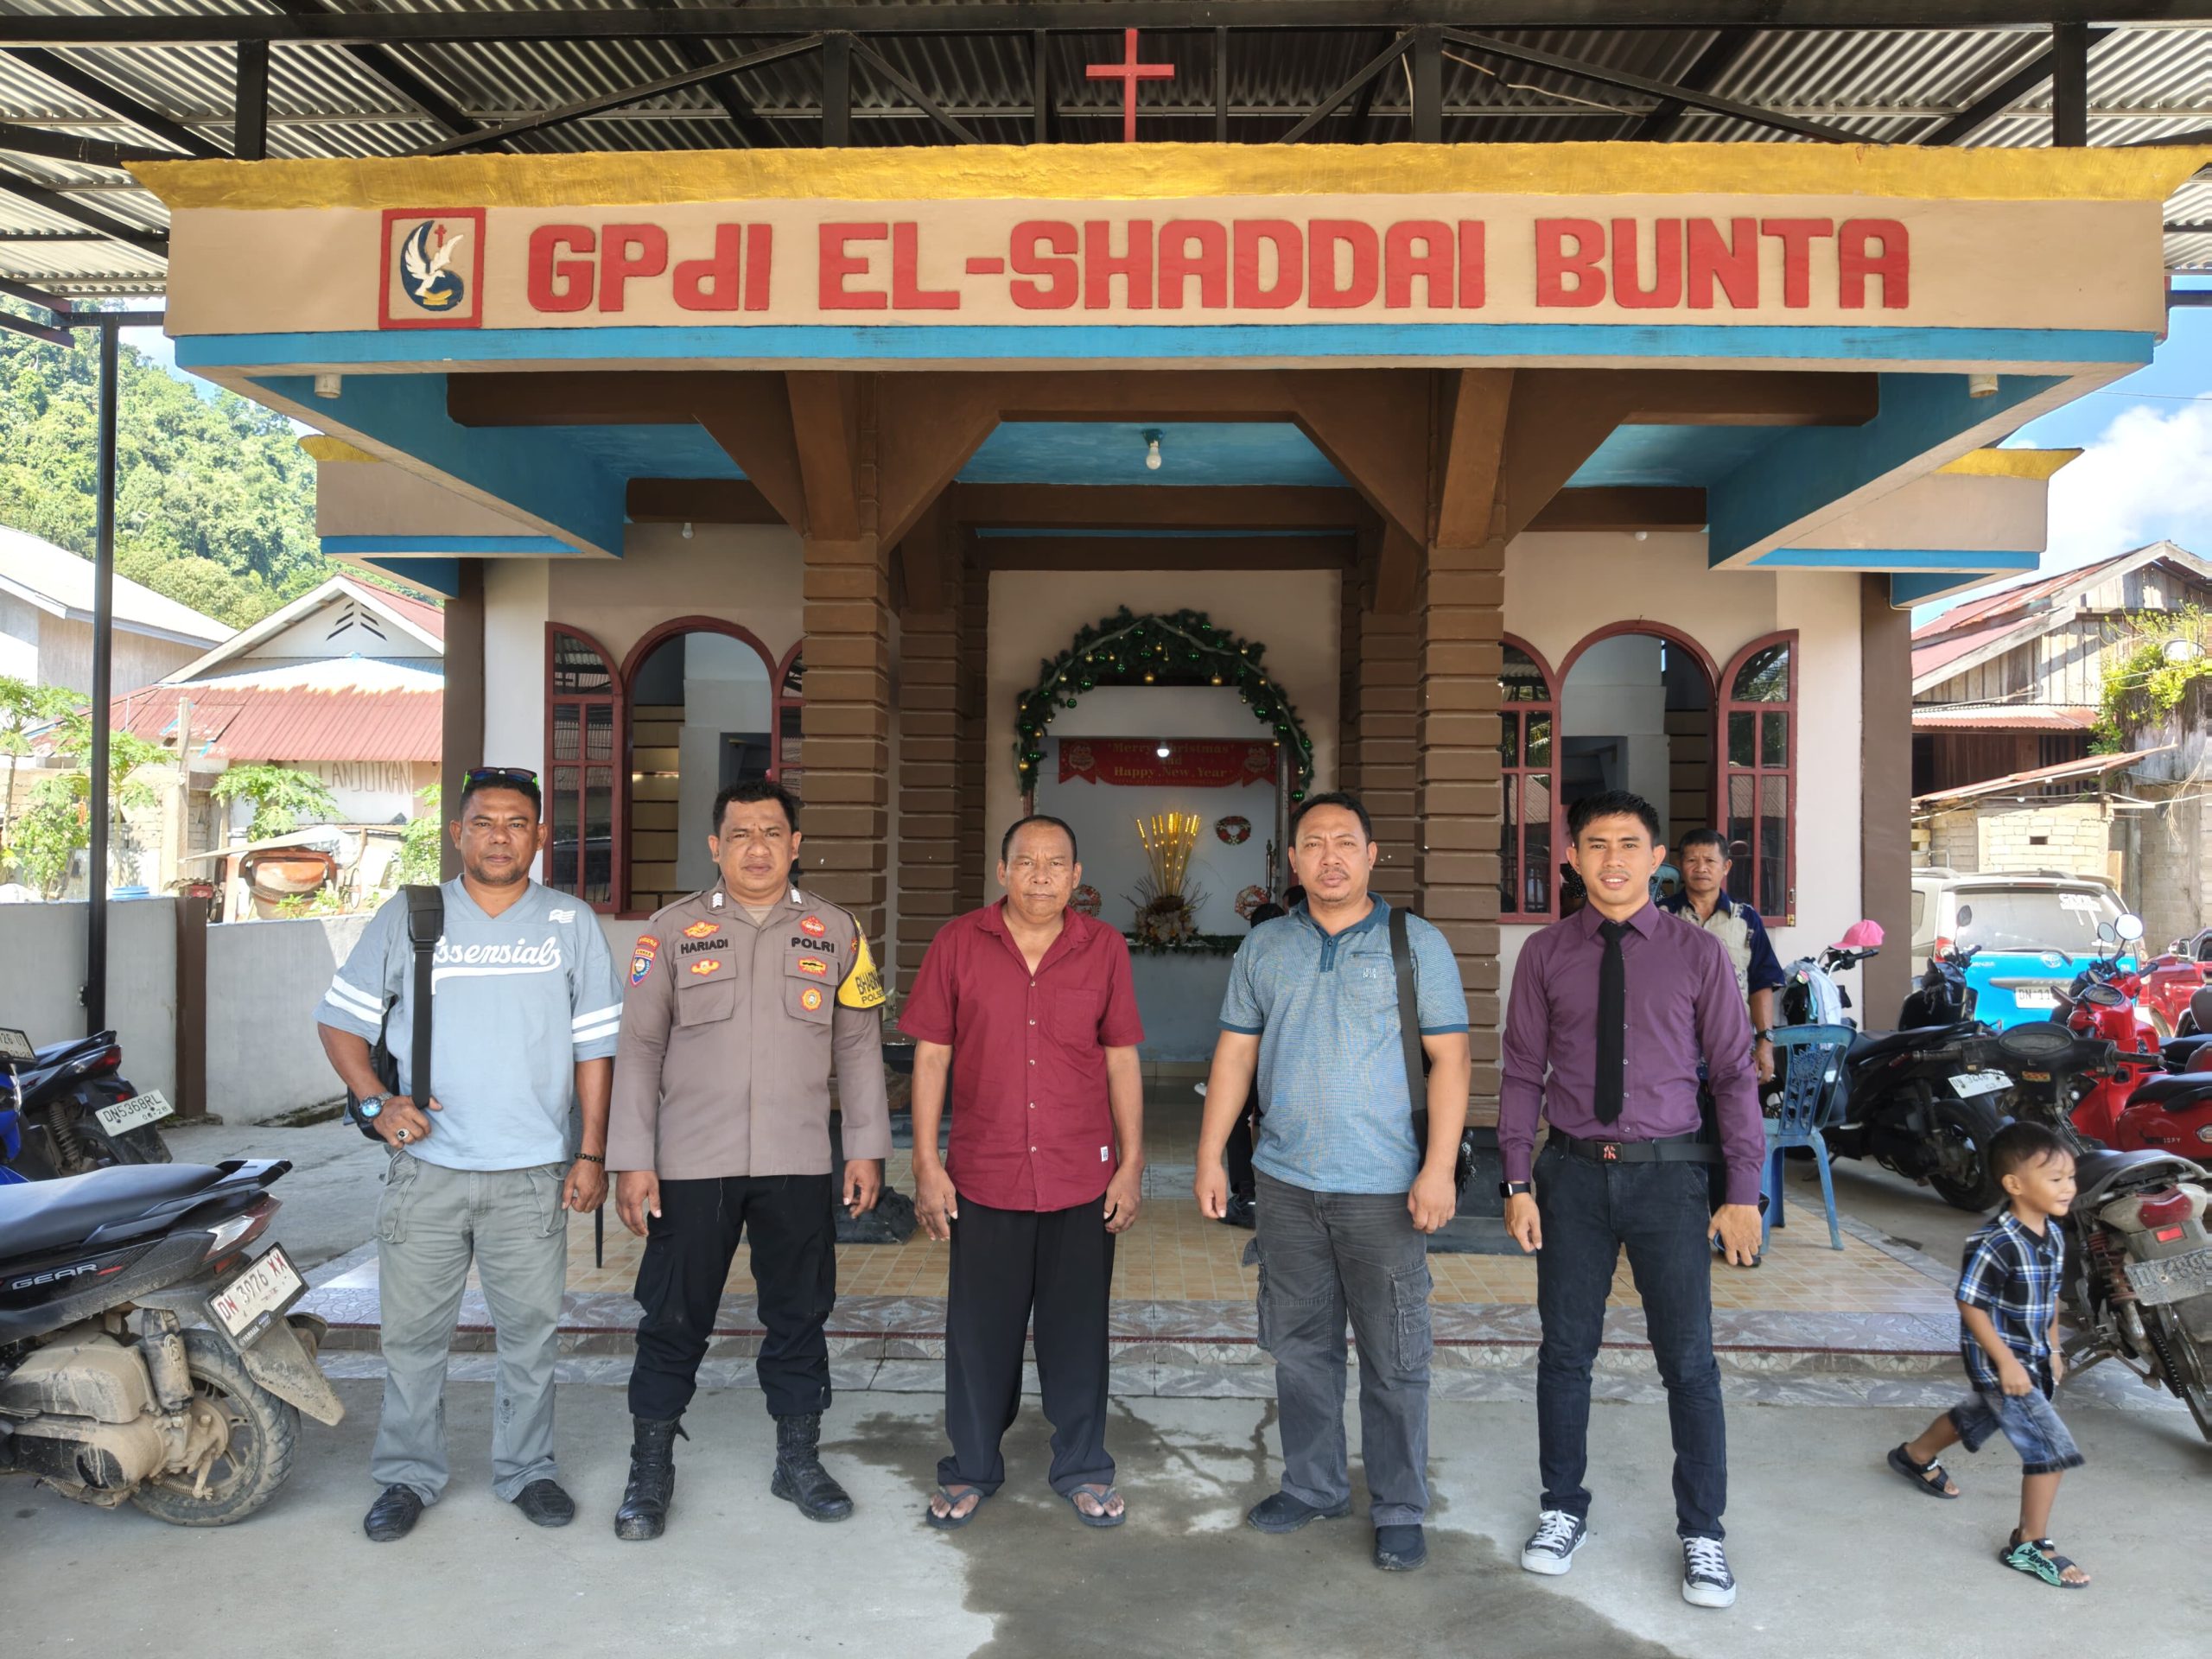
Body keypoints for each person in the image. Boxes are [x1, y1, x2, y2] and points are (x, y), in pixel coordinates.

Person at [315, 765, 620, 1543]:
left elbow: (595, 1048)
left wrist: (590, 1152)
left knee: (531, 1338)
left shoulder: (571, 923)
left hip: (532, 1173)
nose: (499, 837)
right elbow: (340, 1022)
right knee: (413, 1339)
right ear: (458, 833)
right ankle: (407, 1476)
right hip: (429, 1173)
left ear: (541, 836)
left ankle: (527, 1471)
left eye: (517, 823)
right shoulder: (412, 914)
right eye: (484, 822)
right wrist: (377, 1102)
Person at [1499, 789, 1764, 1609]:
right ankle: (1561, 1508)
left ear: (1656, 859)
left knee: (1688, 1361)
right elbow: (1521, 1072)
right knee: (1564, 1353)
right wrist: (1516, 1181)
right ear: (1571, 857)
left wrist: (1743, 1191)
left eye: (1628, 845)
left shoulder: (1697, 955)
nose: (1611, 860)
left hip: (1668, 1179)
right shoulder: (1546, 953)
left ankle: (1703, 1531)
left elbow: (1733, 1074)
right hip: (1571, 1177)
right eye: (1595, 844)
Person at [605, 779, 890, 1540]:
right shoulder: (669, 932)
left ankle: (798, 1460)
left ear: (796, 845)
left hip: (798, 1160)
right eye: (739, 834)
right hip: (691, 1163)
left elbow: (859, 1048)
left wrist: (865, 1148)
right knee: (673, 1318)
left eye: (771, 832)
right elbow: (639, 1049)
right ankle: (649, 1472)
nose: (756, 848)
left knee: (800, 1314)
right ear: (715, 846)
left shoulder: (838, 932)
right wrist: (631, 1158)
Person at [1195, 791, 1471, 1573]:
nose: (1330, 857)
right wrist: (1212, 1155)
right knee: (1300, 1349)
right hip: (1286, 1183)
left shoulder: (1415, 943)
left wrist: (1438, 1167)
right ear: (1293, 859)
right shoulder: (1266, 946)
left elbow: (1451, 1059)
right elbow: (1235, 1056)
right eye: (1314, 843)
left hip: (1385, 1188)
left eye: (1345, 842)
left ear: (1372, 854)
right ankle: (1313, 1486)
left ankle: (1399, 1506)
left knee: (1395, 1358)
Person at [902, 815, 1146, 1530]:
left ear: (1077, 876)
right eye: (1027, 861)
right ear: (1002, 870)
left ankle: (1083, 1466)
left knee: (1079, 1333)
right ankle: (971, 1466)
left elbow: (1121, 1057)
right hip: (986, 1173)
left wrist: (1132, 1163)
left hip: (1081, 1175)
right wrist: (925, 1161)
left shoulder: (1104, 947)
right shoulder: (957, 943)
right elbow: (932, 1056)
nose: (1041, 875)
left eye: (1056, 863)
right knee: (980, 1335)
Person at [1885, 1121, 2089, 1590]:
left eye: (2070, 1177)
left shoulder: (2054, 1234)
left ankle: (1915, 1455)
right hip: (2003, 1363)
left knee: (1977, 1415)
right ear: (2014, 1184)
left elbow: (2050, 1298)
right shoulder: (1995, 1241)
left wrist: (2054, 1347)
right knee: (2050, 1451)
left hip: (2033, 1357)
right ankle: (2030, 1544)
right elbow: (1970, 1304)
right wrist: (2007, 1363)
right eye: (2055, 1178)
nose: (2068, 1187)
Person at [1658, 829, 1785, 1085]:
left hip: (1733, 1047)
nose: (1701, 868)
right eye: (1692, 860)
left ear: (1726, 867)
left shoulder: (1746, 918)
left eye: (1710, 860)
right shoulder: (1660, 917)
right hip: (1671, 1051)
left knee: (1733, 1110)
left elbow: (1761, 982)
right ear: (1681, 865)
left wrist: (1765, 1043)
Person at [1219, 882, 1304, 1229]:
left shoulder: (1254, 953)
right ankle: (1275, 1196)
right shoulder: (1294, 953)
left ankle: (1249, 1193)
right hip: (1287, 1060)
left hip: (1259, 1058)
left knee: (1238, 1117)